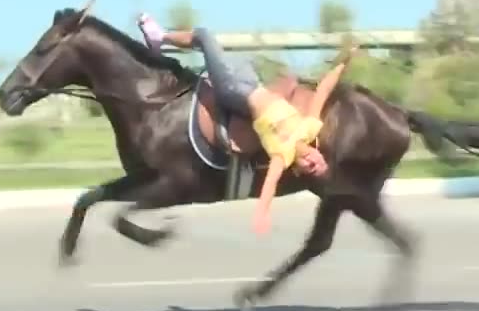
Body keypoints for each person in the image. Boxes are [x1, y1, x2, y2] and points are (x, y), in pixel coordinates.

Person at [137, 13, 357, 234]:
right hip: (252, 79)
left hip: (234, 91)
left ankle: (159, 37)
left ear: (299, 171)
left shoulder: (283, 154)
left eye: (310, 169)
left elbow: (269, 186)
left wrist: (262, 214)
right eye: (318, 163)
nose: (312, 163)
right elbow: (323, 90)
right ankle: (162, 45)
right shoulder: (309, 129)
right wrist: (346, 60)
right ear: (318, 154)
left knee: (203, 36)